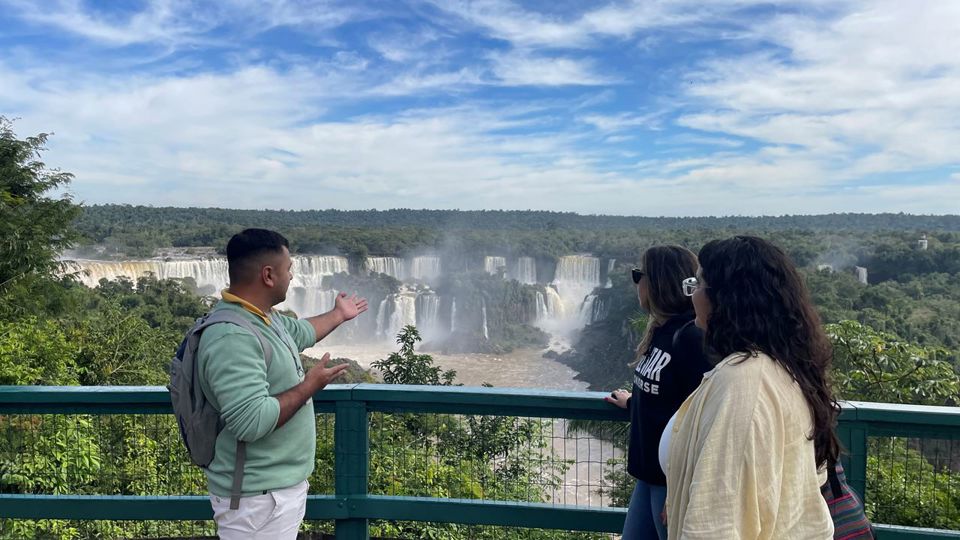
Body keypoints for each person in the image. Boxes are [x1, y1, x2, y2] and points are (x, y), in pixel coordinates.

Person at [197, 228, 368, 539]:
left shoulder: (262, 317)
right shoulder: (232, 336)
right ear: (268, 275)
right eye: (288, 269)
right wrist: (309, 386)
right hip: (256, 500)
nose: (292, 276)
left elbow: (302, 332)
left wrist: (338, 314)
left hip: (272, 493)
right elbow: (251, 422)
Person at [664, 236, 837, 539]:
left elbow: (716, 525)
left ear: (726, 299)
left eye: (699, 284)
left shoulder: (743, 385)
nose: (693, 296)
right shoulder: (783, 366)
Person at [605, 246, 712, 540]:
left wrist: (681, 487)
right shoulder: (661, 331)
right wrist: (632, 403)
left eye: (639, 275)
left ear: (658, 283)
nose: (636, 282)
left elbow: (706, 417)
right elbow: (668, 397)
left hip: (671, 484)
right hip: (648, 477)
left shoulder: (691, 336)